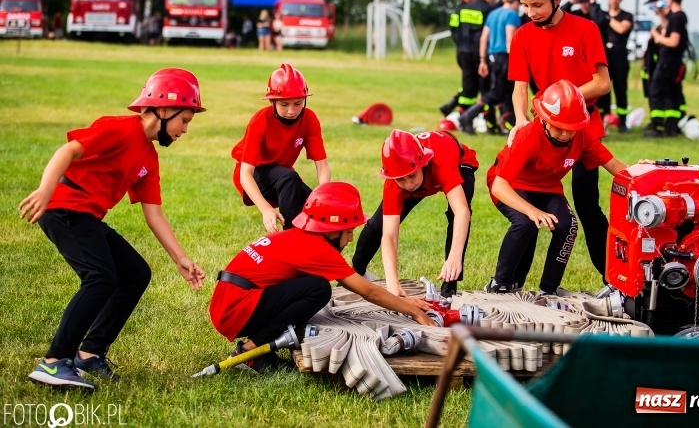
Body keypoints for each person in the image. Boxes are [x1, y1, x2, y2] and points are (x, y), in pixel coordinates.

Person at [19, 68, 207, 391]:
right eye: (185, 120)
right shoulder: (119, 129)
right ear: (164, 110)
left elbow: (154, 214)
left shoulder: (149, 158)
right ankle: (53, 362)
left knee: (135, 273)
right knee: (100, 277)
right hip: (63, 208)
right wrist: (45, 190)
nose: (185, 129)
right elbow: (68, 151)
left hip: (86, 217)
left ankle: (90, 353)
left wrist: (181, 259)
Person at [210, 182, 435, 372]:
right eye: (349, 231)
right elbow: (369, 291)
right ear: (332, 230)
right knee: (318, 289)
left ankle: (259, 344)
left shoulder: (301, 236)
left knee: (309, 288)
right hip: (235, 309)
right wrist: (413, 311)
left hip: (228, 301)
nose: (350, 239)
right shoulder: (318, 248)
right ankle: (249, 351)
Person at [507, 0, 612, 283]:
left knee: (587, 205)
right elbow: (520, 87)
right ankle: (512, 282)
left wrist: (563, 100)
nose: (531, 12)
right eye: (525, 5)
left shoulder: (586, 29)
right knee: (527, 201)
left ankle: (613, 280)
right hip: (543, 128)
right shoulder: (522, 36)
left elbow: (602, 83)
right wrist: (521, 120)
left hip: (583, 127)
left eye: (537, 4)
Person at [486, 80, 626, 293]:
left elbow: (614, 166)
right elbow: (499, 186)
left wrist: (642, 173)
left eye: (572, 128)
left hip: (547, 186)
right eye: (560, 127)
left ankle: (549, 290)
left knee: (568, 225)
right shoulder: (528, 137)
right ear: (544, 119)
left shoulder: (582, 136)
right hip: (512, 184)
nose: (566, 134)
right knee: (525, 222)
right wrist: (531, 210)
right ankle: (500, 283)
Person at [351, 129, 478, 299]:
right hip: (422, 174)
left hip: (459, 163)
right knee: (376, 226)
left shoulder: (441, 164)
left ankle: (449, 286)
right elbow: (389, 235)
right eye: (400, 179)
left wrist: (455, 257)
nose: (408, 184)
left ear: (423, 164)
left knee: (456, 217)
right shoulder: (395, 181)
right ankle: (356, 273)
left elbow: (462, 212)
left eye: (411, 176)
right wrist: (392, 282)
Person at [231, 63, 330, 234]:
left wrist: (322, 196)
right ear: (272, 101)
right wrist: (266, 210)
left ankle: (314, 246)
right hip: (255, 174)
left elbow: (322, 165)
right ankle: (290, 238)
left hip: (284, 176)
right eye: (284, 104)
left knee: (315, 210)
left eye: (298, 103)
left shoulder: (309, 119)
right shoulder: (259, 121)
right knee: (289, 177)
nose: (292, 111)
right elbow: (245, 174)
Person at [459, 0, 521, 134]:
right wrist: (519, 60)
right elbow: (510, 41)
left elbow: (483, 39)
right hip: (505, 57)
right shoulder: (512, 15)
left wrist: (482, 60)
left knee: (503, 92)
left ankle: (508, 124)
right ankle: (468, 116)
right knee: (496, 93)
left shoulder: (493, 14)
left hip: (491, 57)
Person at [439, 0, 493, 117]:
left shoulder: (458, 9)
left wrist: (461, 45)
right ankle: (473, 115)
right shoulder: (484, 7)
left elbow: (453, 29)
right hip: (478, 52)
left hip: (462, 52)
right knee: (480, 83)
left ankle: (453, 106)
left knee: (469, 81)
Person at [645, 0, 689, 137]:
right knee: (671, 93)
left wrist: (657, 37)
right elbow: (667, 30)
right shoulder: (676, 17)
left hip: (668, 62)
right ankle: (671, 126)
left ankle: (657, 126)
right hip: (671, 62)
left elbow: (673, 41)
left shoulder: (677, 18)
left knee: (656, 91)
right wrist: (661, 14)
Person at [600, 0, 634, 132]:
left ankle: (622, 121)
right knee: (603, 89)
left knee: (621, 89)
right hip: (605, 55)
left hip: (619, 55)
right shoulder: (601, 16)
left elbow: (621, 29)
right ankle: (603, 119)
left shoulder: (626, 16)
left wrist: (607, 17)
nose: (614, 1)